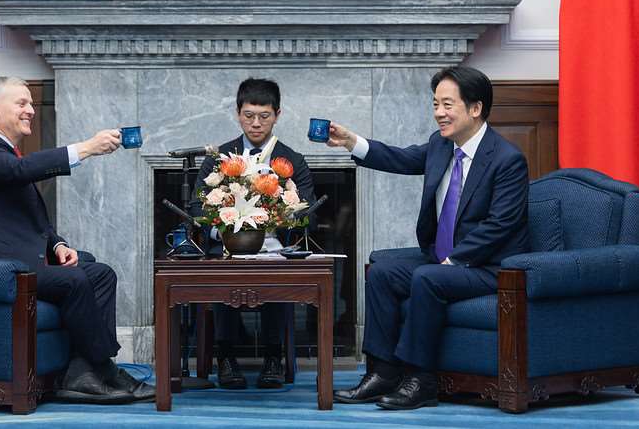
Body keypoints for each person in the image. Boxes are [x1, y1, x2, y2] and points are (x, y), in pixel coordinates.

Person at [0, 76, 155, 405]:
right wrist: (86, 148)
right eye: (21, 103)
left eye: (31, 103)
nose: (30, 110)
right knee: (73, 280)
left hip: (15, 257)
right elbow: (20, 171)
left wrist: (57, 245)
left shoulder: (5, 152)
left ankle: (84, 372)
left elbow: (31, 214)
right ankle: (103, 368)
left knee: (100, 273)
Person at [330, 66, 529, 410]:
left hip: (487, 266)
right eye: (435, 104)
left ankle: (421, 379)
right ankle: (383, 372)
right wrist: (353, 142)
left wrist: (455, 259)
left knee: (428, 276)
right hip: (444, 263)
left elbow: (501, 225)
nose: (438, 113)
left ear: (475, 108)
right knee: (382, 270)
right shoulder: (441, 145)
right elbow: (402, 158)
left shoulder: (507, 160)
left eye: (447, 105)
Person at [191, 78, 317, 390]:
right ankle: (226, 357)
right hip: (227, 245)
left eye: (264, 116)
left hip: (274, 246)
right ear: (237, 113)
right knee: (224, 272)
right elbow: (195, 206)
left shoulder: (291, 160)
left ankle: (274, 357)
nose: (256, 124)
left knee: (276, 271)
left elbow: (308, 214)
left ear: (277, 114)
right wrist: (217, 225)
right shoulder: (219, 156)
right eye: (249, 116)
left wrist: (290, 207)